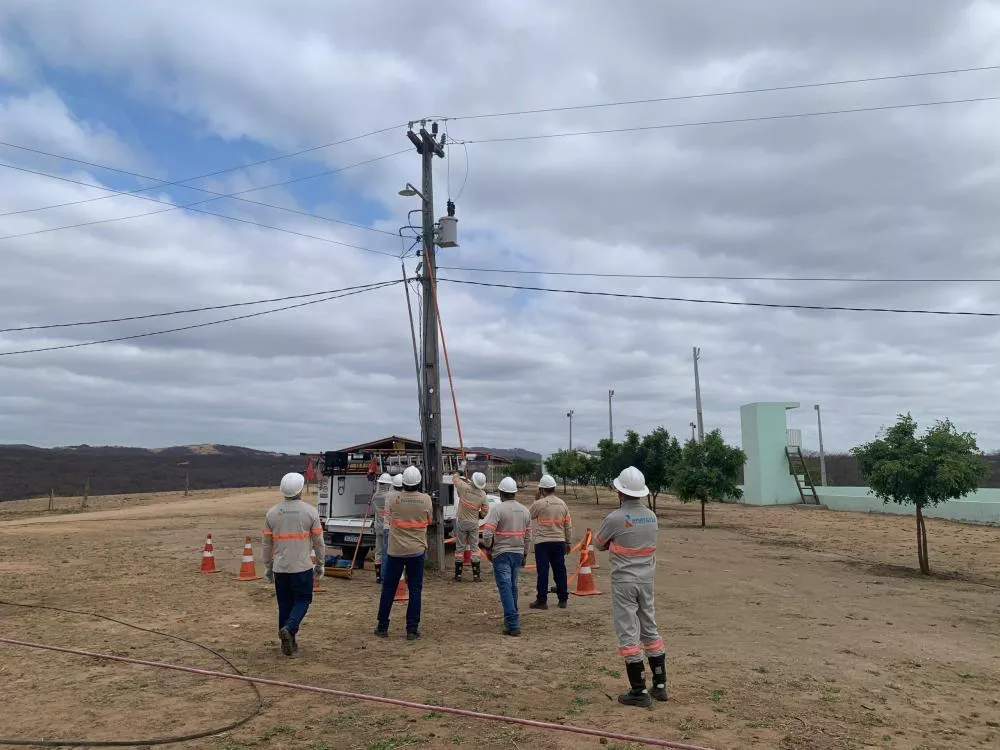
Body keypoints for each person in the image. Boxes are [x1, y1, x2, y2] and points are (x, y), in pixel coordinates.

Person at [595, 466, 667, 707]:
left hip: (624, 582)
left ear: (620, 492)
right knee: (650, 629)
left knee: (628, 632)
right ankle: (660, 685)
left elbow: (599, 544)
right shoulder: (652, 517)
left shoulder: (615, 518)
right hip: (646, 580)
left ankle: (639, 690)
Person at [262, 472, 326, 657]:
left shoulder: (272, 513)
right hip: (301, 567)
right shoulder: (310, 512)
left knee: (284, 604)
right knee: (303, 599)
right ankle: (289, 629)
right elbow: (319, 542)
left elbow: (267, 544)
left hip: (280, 567)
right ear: (300, 489)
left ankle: (290, 640)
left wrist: (268, 566)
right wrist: (320, 564)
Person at [375, 465, 432, 640]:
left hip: (396, 551)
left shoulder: (393, 498)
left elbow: (388, 518)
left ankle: (382, 627)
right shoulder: (426, 500)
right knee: (415, 589)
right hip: (416, 551)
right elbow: (429, 520)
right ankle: (412, 629)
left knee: (388, 588)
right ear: (419, 482)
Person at [480, 476, 532, 636]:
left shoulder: (498, 509)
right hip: (517, 553)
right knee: (512, 587)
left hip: (501, 554)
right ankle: (512, 618)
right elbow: (528, 536)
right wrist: (524, 554)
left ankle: (512, 624)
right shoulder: (524, 510)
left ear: (501, 492)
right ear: (514, 492)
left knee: (505, 588)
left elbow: (487, 533)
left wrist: (488, 548)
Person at [528, 473, 573, 610]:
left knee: (543, 572)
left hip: (542, 542)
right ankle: (563, 599)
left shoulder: (539, 503)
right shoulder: (563, 504)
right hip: (559, 541)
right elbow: (568, 525)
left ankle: (542, 600)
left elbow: (529, 515)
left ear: (541, 489)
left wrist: (536, 500)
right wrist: (568, 542)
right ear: (554, 488)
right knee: (560, 570)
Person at [451, 471, 490, 582]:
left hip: (462, 522)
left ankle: (458, 575)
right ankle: (476, 576)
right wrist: (480, 515)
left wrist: (458, 472)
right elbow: (485, 509)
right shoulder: (482, 495)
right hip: (474, 523)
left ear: (472, 480)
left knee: (460, 548)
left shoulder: (464, 487)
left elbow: (455, 479)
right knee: (475, 548)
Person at [372, 473, 394, 584]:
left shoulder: (375, 496)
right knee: (388, 551)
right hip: (387, 527)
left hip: (378, 526)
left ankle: (378, 576)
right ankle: (386, 573)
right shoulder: (390, 496)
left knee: (378, 551)